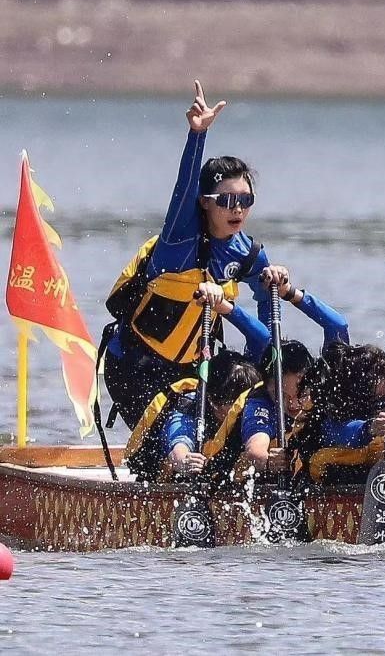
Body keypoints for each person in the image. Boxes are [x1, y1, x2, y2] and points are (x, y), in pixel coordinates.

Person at [102, 81, 272, 430]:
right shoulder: (178, 241)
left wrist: (264, 363)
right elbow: (184, 187)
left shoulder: (249, 255)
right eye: (227, 200)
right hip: (133, 366)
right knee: (165, 441)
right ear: (205, 202)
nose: (237, 209)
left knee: (226, 414)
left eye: (245, 200)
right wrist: (197, 134)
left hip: (191, 370)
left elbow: (266, 313)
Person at [299, 242, 385, 484]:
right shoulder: (339, 398)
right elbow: (335, 432)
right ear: (360, 386)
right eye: (380, 378)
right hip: (344, 477)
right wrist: (370, 428)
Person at [240, 265, 350, 476]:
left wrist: (289, 292)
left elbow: (338, 326)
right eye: (282, 395)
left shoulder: (323, 383)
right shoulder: (261, 401)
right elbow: (255, 449)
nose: (293, 404)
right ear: (267, 385)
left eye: (301, 393)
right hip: (268, 475)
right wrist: (269, 460)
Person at [124, 345, 263, 484]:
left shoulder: (257, 405)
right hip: (167, 480)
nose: (244, 409)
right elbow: (180, 440)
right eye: (237, 404)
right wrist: (184, 461)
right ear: (213, 401)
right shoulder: (189, 407)